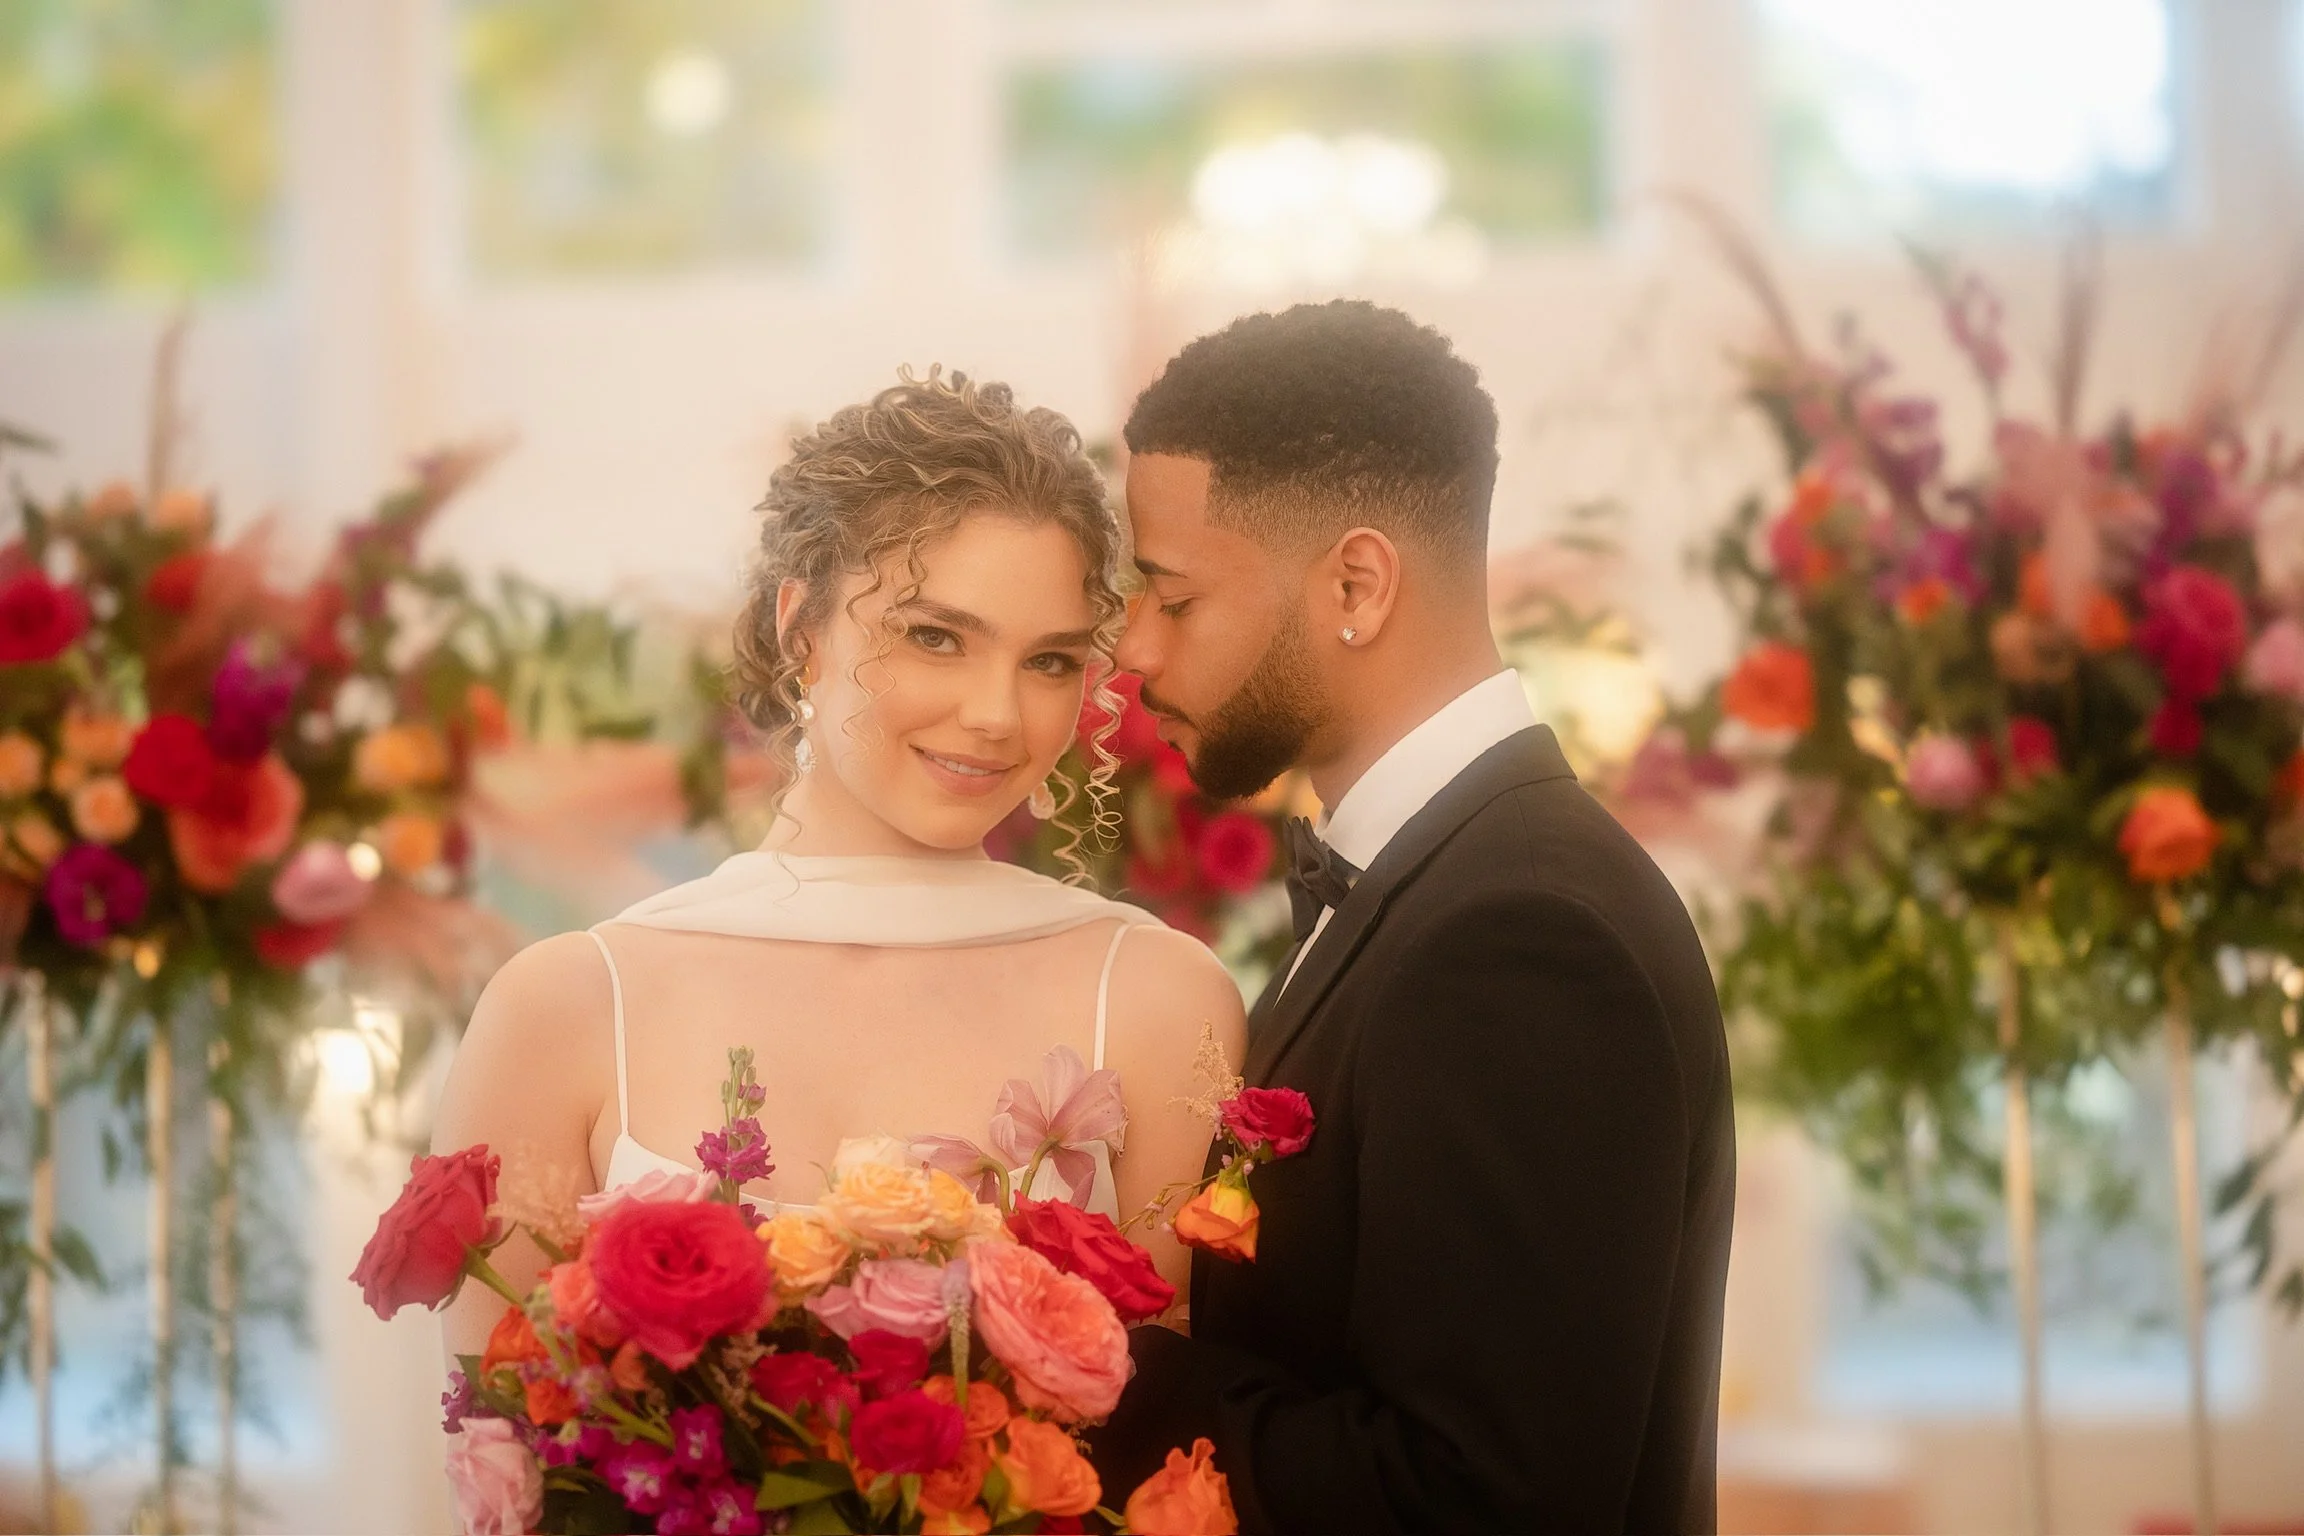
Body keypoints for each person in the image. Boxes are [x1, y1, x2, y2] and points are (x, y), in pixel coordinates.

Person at [430, 369, 1245, 1359]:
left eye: (1050, 661)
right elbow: (503, 1452)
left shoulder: (1162, 998)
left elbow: (1177, 1456)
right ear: (800, 629)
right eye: (936, 637)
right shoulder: (561, 1009)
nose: (998, 714)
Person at [1090, 301, 1735, 1534]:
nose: (1133, 651)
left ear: (1357, 582)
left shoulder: (1525, 939)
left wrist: (1096, 1374)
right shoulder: (1454, 875)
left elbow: (1482, 1499)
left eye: (1171, 596)